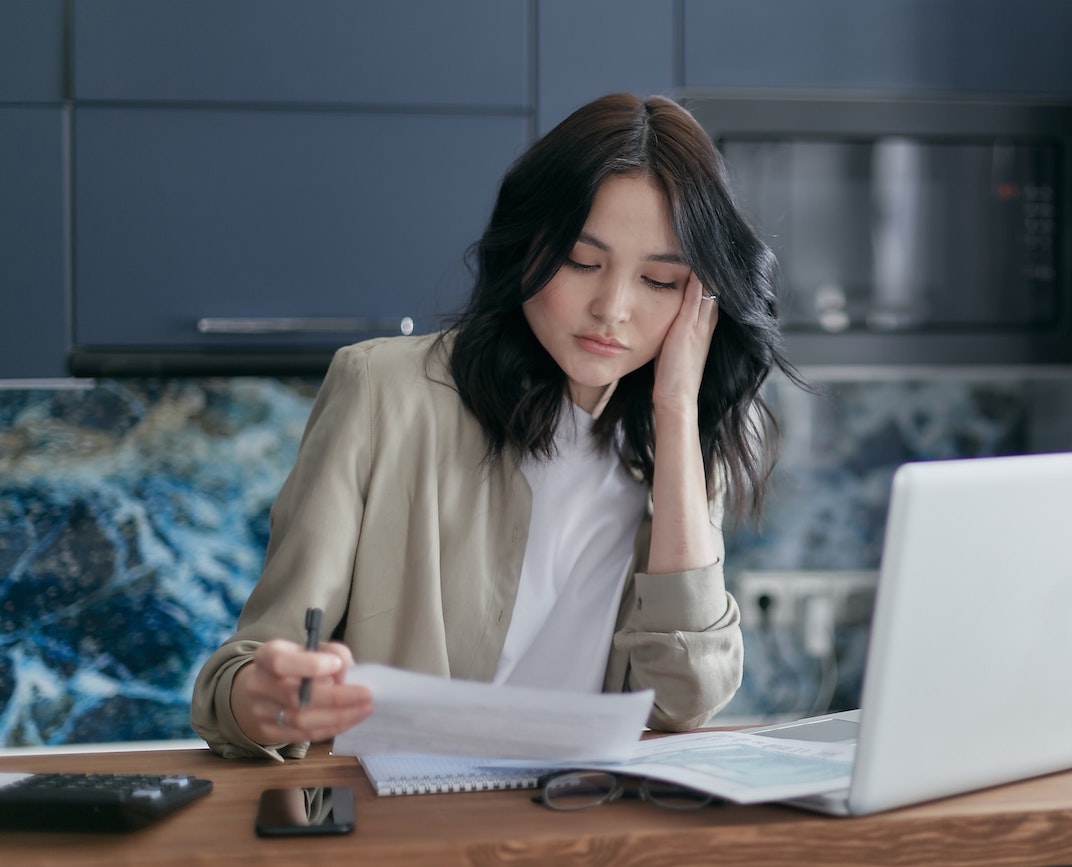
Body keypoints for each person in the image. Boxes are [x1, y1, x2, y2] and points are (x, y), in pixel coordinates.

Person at [190, 92, 797, 760]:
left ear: (699, 300)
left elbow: (684, 699)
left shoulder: (676, 442)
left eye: (659, 279)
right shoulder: (385, 392)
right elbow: (239, 671)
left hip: (584, 826)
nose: (613, 309)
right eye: (581, 262)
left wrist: (679, 410)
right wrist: (265, 697)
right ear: (527, 244)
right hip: (408, 830)